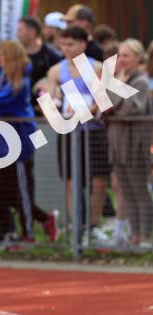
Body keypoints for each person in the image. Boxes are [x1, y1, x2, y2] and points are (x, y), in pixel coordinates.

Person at [0, 41, 57, 246]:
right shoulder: (5, 79)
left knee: (22, 188)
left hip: (19, 142)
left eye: (2, 56)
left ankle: (29, 233)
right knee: (9, 190)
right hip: (4, 142)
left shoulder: (19, 82)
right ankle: (40, 220)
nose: (0, 60)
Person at [44, 25, 110, 242]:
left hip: (93, 131)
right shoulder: (56, 70)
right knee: (71, 180)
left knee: (98, 181)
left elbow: (102, 102)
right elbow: (50, 99)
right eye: (63, 44)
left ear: (83, 45)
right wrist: (55, 110)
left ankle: (91, 226)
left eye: (71, 44)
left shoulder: (97, 68)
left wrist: (85, 112)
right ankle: (76, 227)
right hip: (69, 132)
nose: (66, 48)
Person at [105, 39, 153, 248]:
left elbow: (129, 109)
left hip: (135, 145)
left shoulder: (140, 82)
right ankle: (134, 235)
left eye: (126, 55)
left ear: (137, 57)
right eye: (120, 55)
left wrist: (113, 103)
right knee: (126, 191)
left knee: (139, 190)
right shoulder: (117, 80)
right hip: (117, 144)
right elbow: (103, 107)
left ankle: (145, 236)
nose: (122, 60)